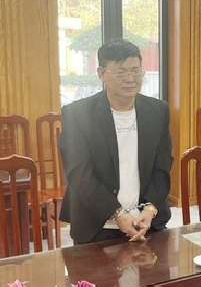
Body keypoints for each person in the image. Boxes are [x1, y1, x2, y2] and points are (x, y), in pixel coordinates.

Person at [58, 38, 172, 244]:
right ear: (101, 73)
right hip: (96, 225)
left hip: (146, 222)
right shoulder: (77, 114)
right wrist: (116, 212)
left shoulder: (158, 111)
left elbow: (162, 165)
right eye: (120, 72)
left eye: (135, 71)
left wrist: (150, 207)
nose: (130, 79)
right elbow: (79, 174)